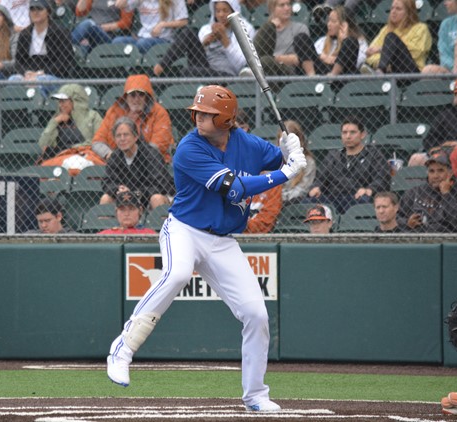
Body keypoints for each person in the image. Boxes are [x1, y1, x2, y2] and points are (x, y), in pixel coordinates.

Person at [106, 85, 307, 413]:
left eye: (208, 114)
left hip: (223, 240)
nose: (199, 118)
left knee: (256, 314)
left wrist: (293, 146)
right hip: (184, 229)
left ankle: (255, 395)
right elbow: (234, 189)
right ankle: (123, 348)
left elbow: (284, 157)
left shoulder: (248, 144)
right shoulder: (189, 148)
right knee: (178, 273)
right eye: (198, 112)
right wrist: (285, 172)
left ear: (226, 118)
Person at [306, 116, 390, 214]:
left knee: (364, 200)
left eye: (352, 132)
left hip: (357, 198)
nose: (348, 136)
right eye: (344, 132)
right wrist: (316, 187)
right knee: (308, 201)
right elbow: (321, 178)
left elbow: (381, 178)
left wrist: (369, 190)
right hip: (333, 198)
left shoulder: (373, 155)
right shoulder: (333, 155)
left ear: (363, 134)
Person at [152, 0, 255, 78]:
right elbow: (197, 55)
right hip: (205, 69)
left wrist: (225, 41)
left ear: (234, 11)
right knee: (188, 33)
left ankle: (172, 74)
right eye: (218, 11)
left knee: (187, 72)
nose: (221, 15)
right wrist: (205, 43)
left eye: (225, 11)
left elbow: (241, 65)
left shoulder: (245, 29)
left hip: (228, 75)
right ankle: (162, 65)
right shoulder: (206, 28)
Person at [92, 74, 175, 164]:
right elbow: (97, 142)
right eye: (132, 95)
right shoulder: (114, 111)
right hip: (116, 162)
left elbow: (158, 145)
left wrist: (134, 159)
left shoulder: (159, 113)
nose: (136, 99)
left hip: (150, 163)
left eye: (141, 95)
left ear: (147, 97)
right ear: (126, 97)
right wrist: (111, 156)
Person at [100, 116, 174, 210]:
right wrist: (118, 189)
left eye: (126, 135)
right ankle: (106, 225)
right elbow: (107, 182)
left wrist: (137, 193)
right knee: (106, 198)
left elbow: (160, 185)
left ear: (135, 137)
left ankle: (162, 225)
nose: (122, 139)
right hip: (126, 199)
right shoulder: (115, 157)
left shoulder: (151, 154)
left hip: (149, 198)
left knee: (156, 198)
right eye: (118, 135)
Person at [9, 0, 76, 98]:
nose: (35, 12)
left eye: (39, 9)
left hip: (52, 75)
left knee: (40, 82)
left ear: (48, 11)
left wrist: (41, 73)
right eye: (32, 9)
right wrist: (26, 73)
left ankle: (38, 110)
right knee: (12, 80)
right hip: (29, 74)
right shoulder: (25, 34)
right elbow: (19, 61)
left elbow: (65, 61)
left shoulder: (60, 32)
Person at [408, 76, 457, 166]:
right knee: (416, 159)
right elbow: (429, 140)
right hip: (446, 153)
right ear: (455, 96)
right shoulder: (446, 115)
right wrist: (445, 145)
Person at [399, 150, 457, 233]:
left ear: (450, 173)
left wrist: (446, 194)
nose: (435, 176)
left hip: (448, 240)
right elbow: (397, 218)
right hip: (417, 240)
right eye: (431, 171)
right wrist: (407, 223)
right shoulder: (415, 192)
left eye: (440, 170)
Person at [361, 0, 431, 75]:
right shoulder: (386, 29)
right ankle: (380, 71)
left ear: (409, 12)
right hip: (388, 71)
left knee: (391, 38)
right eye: (392, 8)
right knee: (390, 38)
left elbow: (416, 53)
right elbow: (370, 54)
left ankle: (380, 71)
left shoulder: (420, 28)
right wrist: (386, 61)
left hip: (410, 71)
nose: (393, 12)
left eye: (398, 9)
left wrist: (381, 50)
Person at [38, 83, 104, 162]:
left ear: (75, 101)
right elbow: (43, 144)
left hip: (85, 156)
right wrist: (54, 122)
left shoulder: (93, 116)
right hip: (60, 159)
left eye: (64, 101)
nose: (60, 105)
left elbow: (100, 141)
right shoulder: (57, 119)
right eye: (59, 101)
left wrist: (72, 149)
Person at [295, 5, 368, 76]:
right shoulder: (322, 40)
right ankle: (312, 76)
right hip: (321, 71)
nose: (329, 24)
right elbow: (311, 56)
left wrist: (344, 40)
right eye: (328, 20)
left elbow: (359, 62)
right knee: (301, 38)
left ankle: (332, 76)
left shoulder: (358, 41)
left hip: (342, 74)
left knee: (350, 42)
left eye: (333, 21)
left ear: (344, 25)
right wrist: (323, 57)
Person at [252, 0, 310, 78]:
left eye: (288, 4)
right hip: (266, 68)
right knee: (264, 62)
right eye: (282, 5)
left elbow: (300, 59)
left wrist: (274, 59)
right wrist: (270, 26)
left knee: (265, 61)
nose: (287, 8)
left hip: (290, 70)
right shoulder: (265, 30)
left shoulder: (300, 28)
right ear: (272, 8)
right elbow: (255, 54)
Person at [422, 0, 457, 75]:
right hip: (450, 70)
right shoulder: (446, 24)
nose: (444, 2)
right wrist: (452, 67)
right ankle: (456, 77)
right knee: (427, 70)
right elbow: (443, 53)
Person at [111, 0, 189, 55]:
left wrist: (163, 24)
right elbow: (119, 4)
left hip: (163, 38)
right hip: (142, 37)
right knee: (117, 42)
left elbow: (184, 21)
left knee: (142, 44)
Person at [281, 120, 316, 204]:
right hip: (274, 202)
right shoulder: (274, 162)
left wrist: (283, 198)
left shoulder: (308, 162)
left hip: (296, 202)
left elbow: (302, 189)